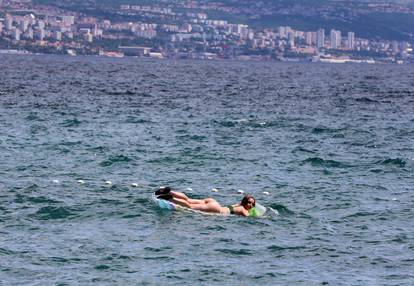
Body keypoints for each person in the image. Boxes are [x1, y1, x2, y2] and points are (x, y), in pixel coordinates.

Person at [155, 187, 256, 216]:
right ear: (245, 203)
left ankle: (170, 192)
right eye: (249, 203)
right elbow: (248, 217)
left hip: (212, 202)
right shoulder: (243, 209)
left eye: (252, 204)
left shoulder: (238, 204)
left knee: (189, 199)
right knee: (189, 205)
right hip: (216, 209)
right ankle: (170, 198)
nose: (251, 205)